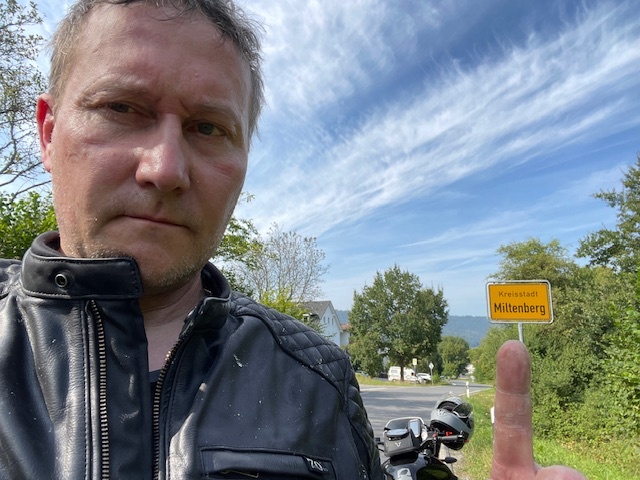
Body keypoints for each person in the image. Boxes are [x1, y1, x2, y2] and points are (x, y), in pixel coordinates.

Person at [0, 0, 586, 478]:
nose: (166, 168)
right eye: (122, 107)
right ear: (48, 132)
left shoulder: (319, 380)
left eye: (208, 127)